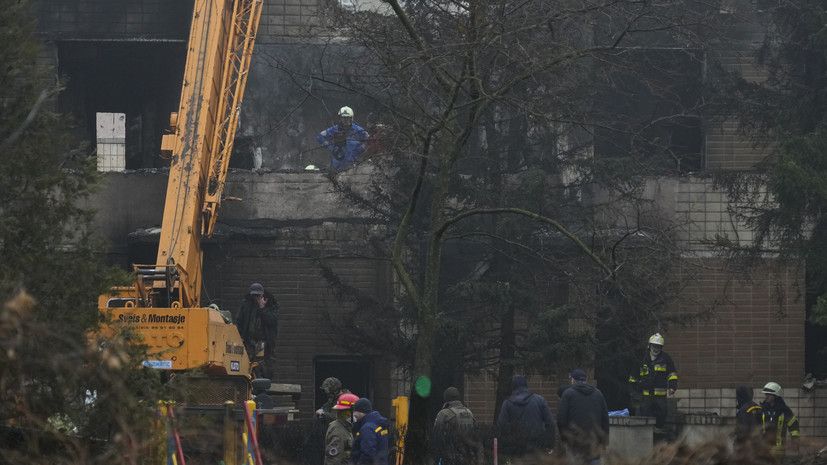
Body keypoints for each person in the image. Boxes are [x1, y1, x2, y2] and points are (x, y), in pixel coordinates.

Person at [557, 369, 609, 465]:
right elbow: (605, 420)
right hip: (594, 443)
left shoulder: (568, 394)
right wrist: (604, 442)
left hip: (574, 443)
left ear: (573, 380)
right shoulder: (598, 394)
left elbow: (561, 420)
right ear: (586, 379)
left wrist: (565, 438)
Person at [496, 375, 556, 458]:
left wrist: (507, 444)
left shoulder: (507, 403)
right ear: (526, 385)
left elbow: (501, 425)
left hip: (516, 447)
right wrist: (549, 443)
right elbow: (550, 423)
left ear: (513, 387)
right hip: (537, 445)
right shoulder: (539, 400)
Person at [628, 333, 678, 430]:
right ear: (649, 346)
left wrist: (672, 386)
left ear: (661, 348)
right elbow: (633, 378)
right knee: (645, 418)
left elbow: (672, 374)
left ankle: (658, 434)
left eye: (658, 347)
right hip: (645, 396)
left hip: (660, 396)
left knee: (661, 415)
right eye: (654, 346)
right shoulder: (641, 359)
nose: (656, 349)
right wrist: (634, 393)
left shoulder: (666, 359)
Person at [433, 387, 479, 465]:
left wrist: (437, 458)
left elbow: (436, 436)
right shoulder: (469, 413)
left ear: (446, 398)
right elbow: (476, 435)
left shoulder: (444, 414)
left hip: (450, 458)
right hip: (468, 458)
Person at [236, 283, 279, 365]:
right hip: (248, 340)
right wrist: (240, 337)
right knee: (246, 363)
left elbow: (272, 321)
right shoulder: (246, 305)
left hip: (262, 341)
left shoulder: (270, 305)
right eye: (255, 296)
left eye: (258, 295)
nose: (256, 298)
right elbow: (239, 321)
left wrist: (262, 308)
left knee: (259, 363)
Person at [316, 106, 369, 171]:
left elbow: (368, 139)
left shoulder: (359, 130)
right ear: (340, 118)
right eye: (343, 118)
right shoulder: (334, 129)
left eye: (347, 118)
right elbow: (320, 136)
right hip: (337, 164)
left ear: (351, 118)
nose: (345, 120)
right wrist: (331, 147)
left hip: (354, 164)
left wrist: (361, 149)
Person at [760, 382, 800, 461]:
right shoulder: (763, 409)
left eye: (769, 394)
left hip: (779, 447)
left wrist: (795, 440)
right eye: (766, 394)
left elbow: (793, 425)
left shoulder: (784, 410)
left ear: (775, 396)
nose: (766, 396)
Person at [351, 398, 390, 465]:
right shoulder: (379, 424)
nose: (354, 414)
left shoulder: (368, 428)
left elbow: (368, 454)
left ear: (361, 411)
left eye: (355, 411)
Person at [325, 393, 359, 465]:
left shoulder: (345, 427)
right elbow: (333, 460)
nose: (356, 414)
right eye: (355, 411)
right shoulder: (338, 430)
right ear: (347, 412)